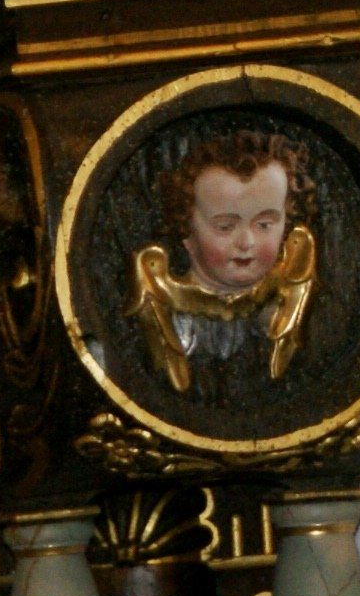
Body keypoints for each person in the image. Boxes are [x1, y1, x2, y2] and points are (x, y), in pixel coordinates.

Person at [128, 129, 318, 396]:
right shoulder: (173, 318)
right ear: (186, 230)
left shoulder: (285, 312)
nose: (246, 242)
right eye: (226, 226)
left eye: (264, 224)